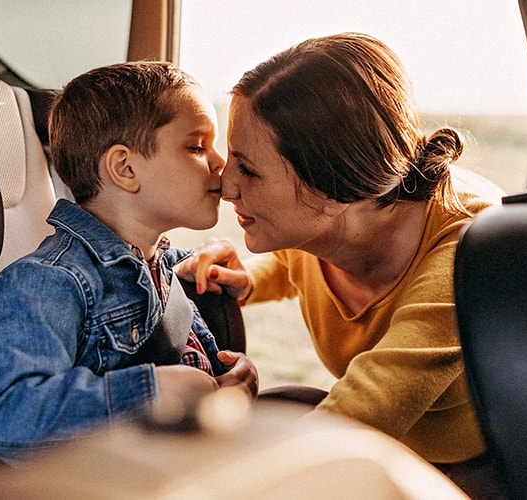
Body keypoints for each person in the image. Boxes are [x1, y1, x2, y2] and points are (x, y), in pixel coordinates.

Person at [178, 33, 504, 492]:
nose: (226, 186)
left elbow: (371, 398)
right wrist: (248, 281)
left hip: (471, 475)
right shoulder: (329, 219)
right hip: (385, 448)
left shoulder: (466, 252)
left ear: (330, 190)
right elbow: (298, 263)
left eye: (248, 169)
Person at [0, 62, 258, 462]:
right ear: (125, 169)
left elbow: (196, 362)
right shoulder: (45, 283)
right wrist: (152, 392)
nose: (220, 163)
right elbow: (11, 418)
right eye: (196, 146)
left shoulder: (162, 266)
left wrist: (231, 376)